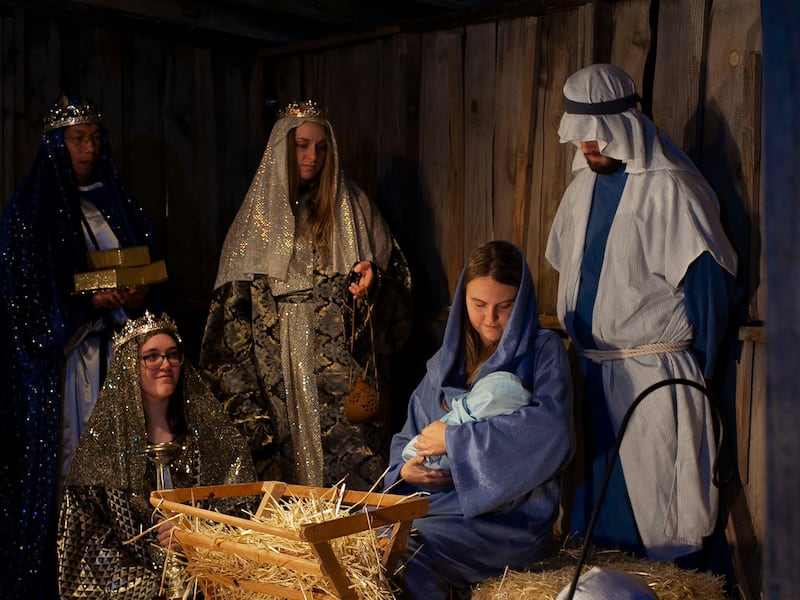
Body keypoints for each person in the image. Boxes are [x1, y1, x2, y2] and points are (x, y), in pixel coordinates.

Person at [545, 64, 740, 563]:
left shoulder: (672, 191)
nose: (588, 148)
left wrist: (693, 376)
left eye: (598, 137)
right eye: (581, 138)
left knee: (656, 511)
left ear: (627, 124)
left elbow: (710, 297)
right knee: (590, 513)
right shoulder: (580, 190)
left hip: (652, 376)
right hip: (587, 374)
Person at [199, 100, 412, 490]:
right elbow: (229, 323)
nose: (312, 156)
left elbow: (398, 296)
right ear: (282, 148)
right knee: (284, 468)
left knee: (348, 472)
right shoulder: (254, 220)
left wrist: (373, 284)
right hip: (275, 370)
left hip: (337, 376)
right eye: (302, 145)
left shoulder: (356, 209)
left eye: (321, 146)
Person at [0, 95, 162, 598]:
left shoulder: (117, 203)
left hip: (119, 353)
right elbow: (22, 302)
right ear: (56, 144)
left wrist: (135, 295)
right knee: (78, 460)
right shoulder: (30, 214)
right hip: (66, 366)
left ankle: (124, 566)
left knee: (125, 462)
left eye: (94, 137)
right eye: (77, 138)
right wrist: (83, 307)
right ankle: (72, 570)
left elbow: (144, 264)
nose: (88, 147)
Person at [384, 240, 574, 599]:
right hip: (436, 505)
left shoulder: (542, 352)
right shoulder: (447, 359)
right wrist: (404, 471)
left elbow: (551, 433)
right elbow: (409, 433)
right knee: (374, 541)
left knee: (408, 550)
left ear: (523, 303)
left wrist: (454, 443)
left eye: (505, 307)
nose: (490, 319)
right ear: (462, 303)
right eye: (479, 305)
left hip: (506, 521)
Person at [57, 311, 257, 599]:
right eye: (152, 356)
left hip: (211, 584)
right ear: (129, 366)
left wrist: (198, 533)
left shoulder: (217, 443)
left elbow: (245, 510)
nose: (165, 364)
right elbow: (85, 544)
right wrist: (152, 585)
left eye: (172, 355)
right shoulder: (100, 454)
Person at [401, 370, 531, 470]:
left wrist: (453, 439)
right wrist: (405, 472)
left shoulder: (543, 349)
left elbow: (536, 432)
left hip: (493, 490)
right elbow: (404, 440)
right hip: (423, 487)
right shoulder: (441, 365)